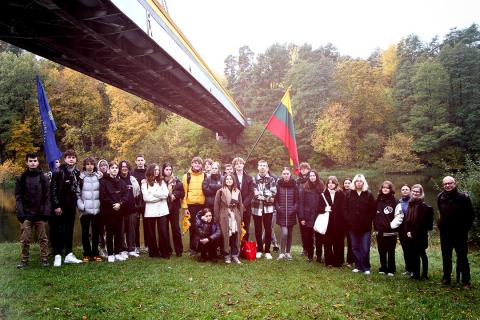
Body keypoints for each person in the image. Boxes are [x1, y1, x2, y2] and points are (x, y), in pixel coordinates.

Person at [437, 176, 474, 289]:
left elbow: (470, 216)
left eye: (450, 183)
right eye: (445, 184)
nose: (447, 185)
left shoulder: (463, 197)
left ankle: (466, 281)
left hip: (460, 233)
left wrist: (464, 230)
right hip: (445, 233)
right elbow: (441, 213)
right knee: (446, 256)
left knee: (462, 257)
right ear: (443, 185)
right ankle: (446, 278)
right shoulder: (440, 197)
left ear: (454, 183)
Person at [15, 153, 51, 268]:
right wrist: (21, 214)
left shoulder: (43, 177)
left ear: (38, 162)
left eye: (35, 160)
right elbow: (18, 197)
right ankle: (24, 261)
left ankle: (44, 259)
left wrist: (46, 213)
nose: (33, 163)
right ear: (26, 162)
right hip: (26, 215)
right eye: (30, 161)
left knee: (43, 239)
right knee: (25, 239)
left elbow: (47, 196)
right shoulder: (21, 178)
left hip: (40, 214)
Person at [50, 149, 83, 267]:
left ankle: (69, 254)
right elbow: (53, 190)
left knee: (69, 230)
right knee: (59, 230)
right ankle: (57, 255)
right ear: (65, 159)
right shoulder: (58, 171)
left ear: (76, 159)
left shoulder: (78, 172)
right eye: (69, 157)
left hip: (71, 206)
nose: (71, 159)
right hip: (60, 207)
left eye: (73, 157)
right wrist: (56, 205)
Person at [345, 174, 376, 274]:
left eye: (360, 181)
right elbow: (344, 209)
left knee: (365, 247)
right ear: (354, 182)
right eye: (357, 181)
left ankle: (366, 267)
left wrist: (367, 219)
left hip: (365, 227)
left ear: (363, 183)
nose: (359, 182)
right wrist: (349, 219)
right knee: (355, 247)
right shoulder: (349, 194)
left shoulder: (368, 194)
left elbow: (373, 210)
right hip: (352, 226)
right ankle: (358, 266)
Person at [99, 161, 129, 262]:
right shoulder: (104, 181)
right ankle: (110, 253)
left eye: (116, 168)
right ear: (109, 169)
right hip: (108, 211)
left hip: (119, 211)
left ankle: (117, 252)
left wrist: (120, 204)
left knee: (118, 232)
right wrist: (113, 204)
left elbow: (125, 195)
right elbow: (103, 196)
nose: (115, 169)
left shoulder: (121, 182)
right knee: (110, 232)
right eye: (112, 168)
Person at [404, 184, 433, 280]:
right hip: (410, 233)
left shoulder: (422, 205)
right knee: (413, 254)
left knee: (422, 253)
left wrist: (413, 232)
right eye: (414, 191)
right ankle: (415, 273)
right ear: (411, 192)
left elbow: (421, 223)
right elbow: (407, 219)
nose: (415, 193)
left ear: (421, 193)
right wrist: (408, 231)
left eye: (418, 192)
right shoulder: (411, 203)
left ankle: (424, 274)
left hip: (420, 234)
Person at [374, 181, 403, 276]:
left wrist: (391, 226)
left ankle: (391, 269)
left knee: (390, 251)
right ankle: (383, 267)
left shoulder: (395, 201)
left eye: (387, 188)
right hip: (380, 231)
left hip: (391, 232)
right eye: (383, 187)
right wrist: (376, 226)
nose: (385, 189)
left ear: (390, 189)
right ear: (381, 189)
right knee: (381, 250)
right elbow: (373, 214)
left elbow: (399, 216)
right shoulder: (378, 200)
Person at [77, 157, 103, 263]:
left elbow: (103, 192)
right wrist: (81, 206)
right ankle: (87, 253)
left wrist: (101, 206)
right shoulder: (81, 177)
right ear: (84, 166)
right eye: (87, 164)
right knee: (85, 233)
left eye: (92, 164)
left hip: (97, 210)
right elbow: (77, 194)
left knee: (96, 233)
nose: (90, 166)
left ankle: (95, 253)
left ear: (94, 165)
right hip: (85, 211)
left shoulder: (99, 177)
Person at [214, 173, 243, 264]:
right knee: (225, 236)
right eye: (227, 179)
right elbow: (216, 205)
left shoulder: (237, 191)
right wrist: (217, 218)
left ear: (233, 180)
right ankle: (226, 255)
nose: (229, 180)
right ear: (224, 181)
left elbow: (240, 205)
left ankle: (234, 255)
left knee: (235, 236)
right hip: (224, 215)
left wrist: (240, 217)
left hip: (235, 216)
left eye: (231, 179)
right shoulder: (220, 191)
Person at [142, 164, 170, 258]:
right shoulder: (145, 183)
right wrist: (159, 197)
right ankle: (154, 252)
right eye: (155, 170)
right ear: (150, 171)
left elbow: (166, 195)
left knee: (163, 231)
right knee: (151, 233)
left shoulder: (162, 182)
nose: (157, 171)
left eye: (158, 170)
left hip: (162, 210)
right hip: (150, 211)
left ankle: (165, 252)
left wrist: (154, 194)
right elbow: (146, 198)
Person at [251, 160, 277, 260]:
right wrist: (266, 194)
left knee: (268, 228)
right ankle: (259, 250)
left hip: (268, 208)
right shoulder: (253, 179)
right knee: (257, 229)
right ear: (258, 167)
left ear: (267, 168)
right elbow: (254, 192)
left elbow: (273, 192)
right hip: (256, 208)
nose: (262, 167)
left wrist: (263, 195)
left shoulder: (272, 179)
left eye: (264, 166)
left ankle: (267, 251)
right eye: (260, 165)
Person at [298, 170, 325, 263]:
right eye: (310, 175)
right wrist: (301, 217)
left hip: (319, 215)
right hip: (307, 215)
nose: (312, 177)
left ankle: (318, 256)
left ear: (317, 176)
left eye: (314, 175)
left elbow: (325, 201)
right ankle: (310, 255)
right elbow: (301, 203)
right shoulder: (305, 187)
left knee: (319, 237)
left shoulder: (321, 187)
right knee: (308, 237)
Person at [182, 156, 206, 255]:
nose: (197, 165)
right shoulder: (186, 176)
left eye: (199, 163)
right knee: (192, 227)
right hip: (191, 205)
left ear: (201, 165)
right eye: (195, 163)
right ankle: (192, 249)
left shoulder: (205, 175)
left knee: (202, 227)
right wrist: (185, 207)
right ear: (192, 164)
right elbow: (184, 193)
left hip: (202, 205)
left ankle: (201, 247)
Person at [275, 167, 299, 261]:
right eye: (284, 173)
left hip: (291, 214)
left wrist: (293, 209)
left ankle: (288, 253)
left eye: (287, 173)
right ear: (282, 175)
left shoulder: (294, 185)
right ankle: (281, 253)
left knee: (289, 234)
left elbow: (297, 200)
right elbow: (275, 200)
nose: (286, 175)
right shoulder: (278, 185)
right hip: (281, 213)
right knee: (284, 233)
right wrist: (278, 208)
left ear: (290, 174)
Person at [119, 160, 141, 258]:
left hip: (132, 209)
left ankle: (131, 249)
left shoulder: (132, 179)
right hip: (121, 210)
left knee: (131, 230)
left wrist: (136, 205)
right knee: (121, 230)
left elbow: (137, 192)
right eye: (122, 166)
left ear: (128, 168)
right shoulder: (117, 178)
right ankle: (123, 249)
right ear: (120, 168)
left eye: (126, 166)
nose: (124, 168)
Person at [323, 176, 346, 267]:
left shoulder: (341, 194)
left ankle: (339, 262)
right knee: (328, 242)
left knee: (339, 242)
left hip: (339, 222)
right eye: (329, 183)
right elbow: (318, 207)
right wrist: (324, 208)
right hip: (328, 222)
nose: (330, 184)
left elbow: (344, 208)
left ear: (336, 184)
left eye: (332, 183)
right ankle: (329, 261)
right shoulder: (323, 194)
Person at [163, 162, 185, 257]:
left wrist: (175, 195)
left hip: (174, 207)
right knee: (164, 229)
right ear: (163, 170)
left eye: (170, 169)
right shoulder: (160, 181)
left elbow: (182, 193)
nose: (168, 171)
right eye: (166, 169)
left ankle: (179, 250)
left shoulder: (177, 180)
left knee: (176, 228)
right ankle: (167, 250)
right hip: (163, 207)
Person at [232, 157, 254, 241]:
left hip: (246, 208)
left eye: (240, 163)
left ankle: (244, 248)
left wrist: (243, 204)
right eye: (236, 164)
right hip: (234, 207)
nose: (239, 165)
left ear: (243, 164)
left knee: (246, 228)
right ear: (234, 166)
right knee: (234, 228)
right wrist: (237, 204)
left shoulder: (249, 178)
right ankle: (235, 248)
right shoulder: (231, 177)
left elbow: (251, 193)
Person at [131, 154, 147, 254]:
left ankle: (147, 245)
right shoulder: (132, 173)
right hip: (135, 202)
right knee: (135, 225)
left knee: (147, 224)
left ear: (144, 161)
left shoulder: (148, 171)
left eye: (142, 160)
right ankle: (136, 246)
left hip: (146, 202)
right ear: (136, 162)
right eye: (138, 160)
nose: (140, 162)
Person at [396, 184, 412, 275]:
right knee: (405, 249)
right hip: (402, 229)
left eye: (407, 189)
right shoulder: (399, 202)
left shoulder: (413, 201)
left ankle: (414, 268)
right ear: (401, 191)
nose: (405, 191)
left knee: (411, 249)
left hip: (411, 229)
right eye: (403, 189)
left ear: (410, 191)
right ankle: (408, 268)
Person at [296, 162, 311, 256]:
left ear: (308, 169)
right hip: (300, 208)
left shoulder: (312, 179)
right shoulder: (298, 181)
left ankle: (311, 248)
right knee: (302, 229)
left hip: (310, 208)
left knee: (310, 229)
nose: (303, 170)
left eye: (305, 168)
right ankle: (304, 248)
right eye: (302, 169)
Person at [97, 159, 109, 257]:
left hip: (109, 207)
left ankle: (109, 247)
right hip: (99, 207)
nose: (103, 167)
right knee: (100, 229)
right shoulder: (96, 177)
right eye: (101, 166)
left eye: (105, 165)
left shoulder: (110, 177)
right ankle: (101, 247)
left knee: (109, 228)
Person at [341, 177, 354, 267]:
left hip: (350, 221)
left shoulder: (353, 194)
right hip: (341, 221)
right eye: (345, 183)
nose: (347, 184)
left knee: (351, 241)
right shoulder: (340, 193)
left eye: (349, 183)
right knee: (340, 241)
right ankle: (340, 260)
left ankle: (350, 260)